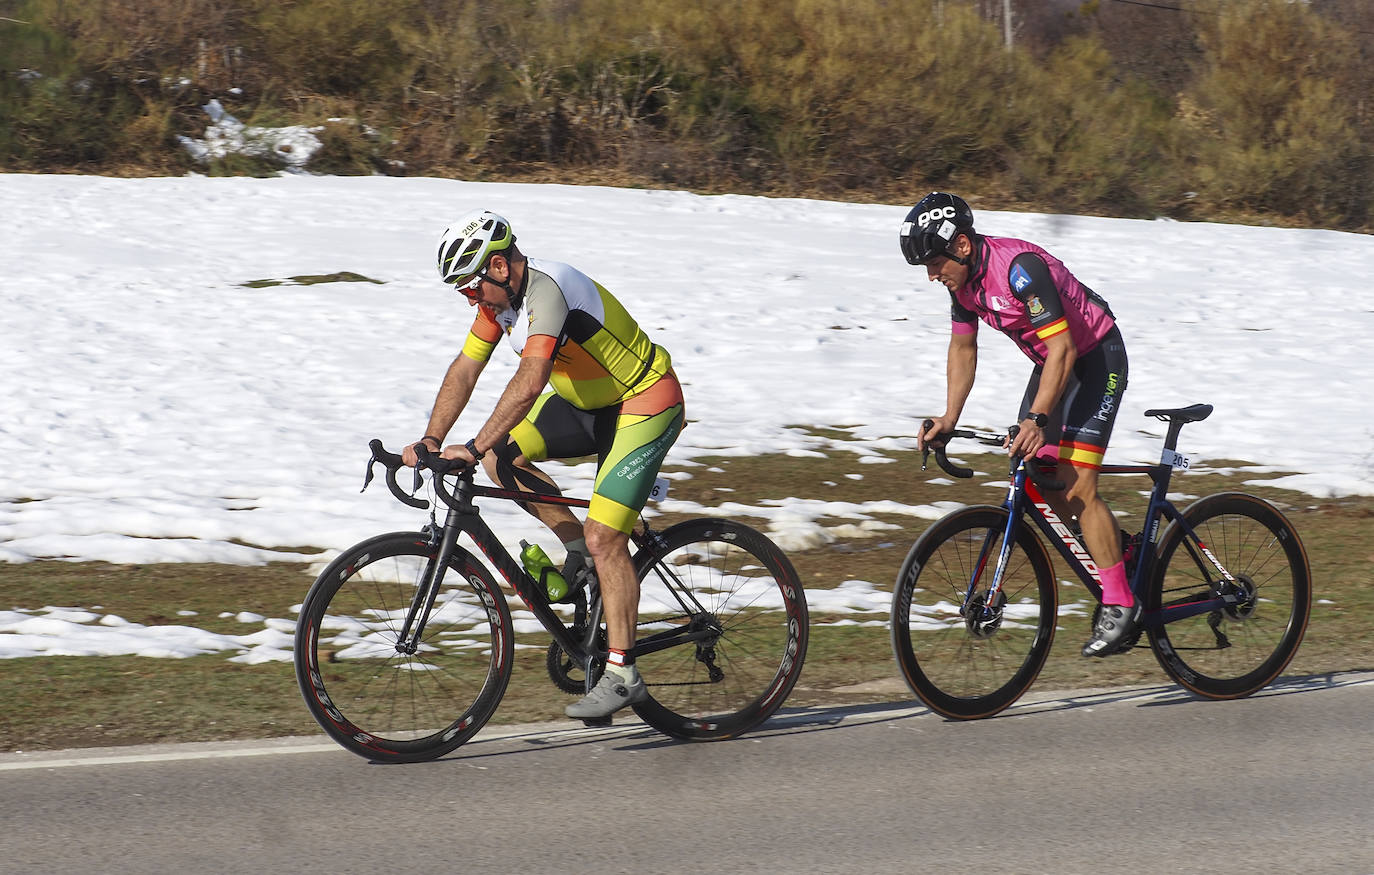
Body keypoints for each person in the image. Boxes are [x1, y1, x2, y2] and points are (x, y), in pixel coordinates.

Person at [403, 209, 686, 718]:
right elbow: (466, 369)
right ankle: (579, 553)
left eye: (470, 286)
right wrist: (431, 437)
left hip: (645, 401)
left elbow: (531, 381)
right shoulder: (497, 304)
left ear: (499, 267)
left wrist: (468, 443)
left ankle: (623, 673)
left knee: (607, 536)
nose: (469, 299)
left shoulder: (547, 291)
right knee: (499, 459)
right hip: (586, 406)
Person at [899, 191, 1136, 657]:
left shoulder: (1019, 269)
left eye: (933, 261)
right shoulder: (961, 285)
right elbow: (963, 350)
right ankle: (1121, 551)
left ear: (962, 245)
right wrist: (950, 418)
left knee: (1077, 485)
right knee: (1044, 475)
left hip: (1095, 358)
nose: (931, 274)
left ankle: (1122, 603)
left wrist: (1036, 418)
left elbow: (1065, 350)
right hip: (1053, 364)